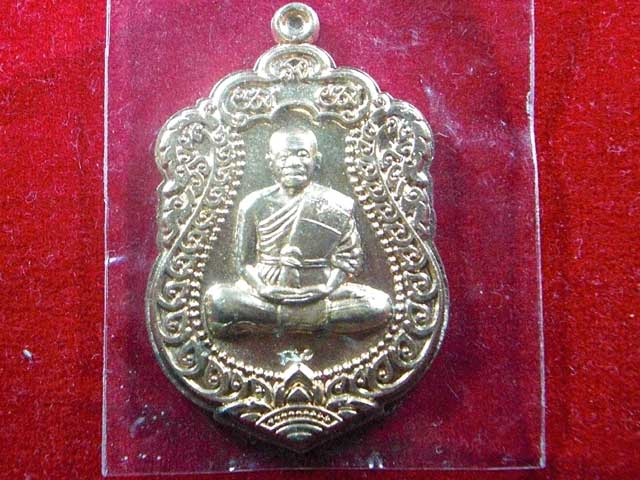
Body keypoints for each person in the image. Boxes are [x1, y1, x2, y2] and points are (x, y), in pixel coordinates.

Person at [204, 127, 392, 336]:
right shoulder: (253, 204)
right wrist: (263, 288)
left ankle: (276, 318)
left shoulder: (336, 203)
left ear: (316, 160)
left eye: (302, 154)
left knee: (379, 305)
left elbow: (348, 259)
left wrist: (326, 288)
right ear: (270, 162)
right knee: (219, 300)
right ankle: (315, 318)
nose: (293, 162)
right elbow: (243, 263)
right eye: (284, 157)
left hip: (322, 288)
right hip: (266, 289)